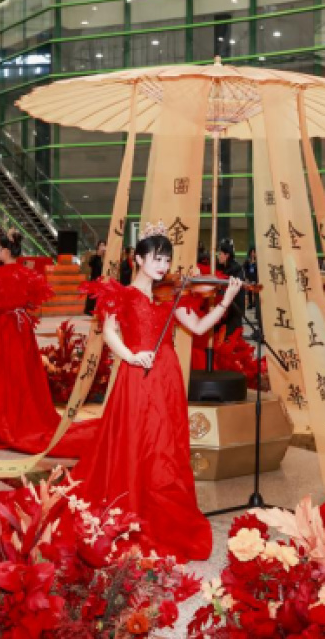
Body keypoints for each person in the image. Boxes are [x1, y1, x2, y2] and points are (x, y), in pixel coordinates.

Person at [75, 231, 243, 561]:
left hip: (166, 376)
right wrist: (131, 355)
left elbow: (199, 327)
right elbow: (109, 332)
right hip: (137, 372)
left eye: (167, 259)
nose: (163, 266)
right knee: (139, 439)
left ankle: (160, 502)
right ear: (138, 259)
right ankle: (133, 505)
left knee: (165, 443)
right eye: (157, 258)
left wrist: (227, 299)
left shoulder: (170, 296)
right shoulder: (122, 294)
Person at [0, 237, 96, 455]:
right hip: (21, 329)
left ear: (5, 251)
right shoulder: (28, 275)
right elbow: (36, 300)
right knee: (22, 372)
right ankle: (22, 416)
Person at [214, 240, 246, 337]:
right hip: (221, 306)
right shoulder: (219, 267)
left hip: (234, 307)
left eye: (220, 254)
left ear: (227, 255)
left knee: (231, 335)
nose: (218, 256)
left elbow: (237, 290)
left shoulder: (237, 269)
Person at [83, 240, 106, 315]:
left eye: (104, 245)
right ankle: (90, 311)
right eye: (101, 245)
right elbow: (90, 263)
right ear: (98, 247)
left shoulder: (105, 258)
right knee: (92, 296)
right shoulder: (95, 257)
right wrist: (98, 254)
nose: (102, 247)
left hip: (103, 280)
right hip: (95, 279)